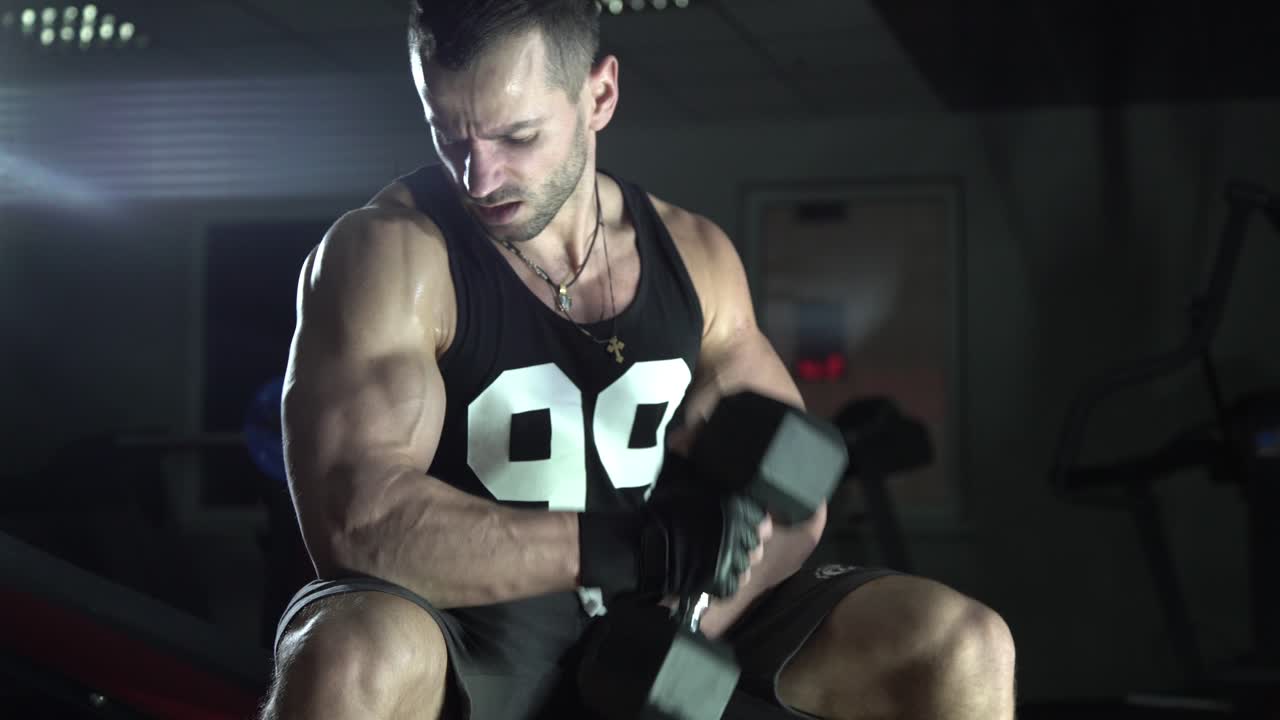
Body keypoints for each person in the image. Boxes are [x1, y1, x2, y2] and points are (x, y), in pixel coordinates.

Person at [261, 2, 1016, 719]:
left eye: (515, 137)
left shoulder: (695, 257)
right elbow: (359, 523)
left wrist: (688, 625)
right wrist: (626, 546)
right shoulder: (389, 255)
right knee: (351, 649)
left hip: (648, 627)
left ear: (600, 95)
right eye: (450, 136)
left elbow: (794, 490)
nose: (478, 177)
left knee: (959, 643)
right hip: (471, 639)